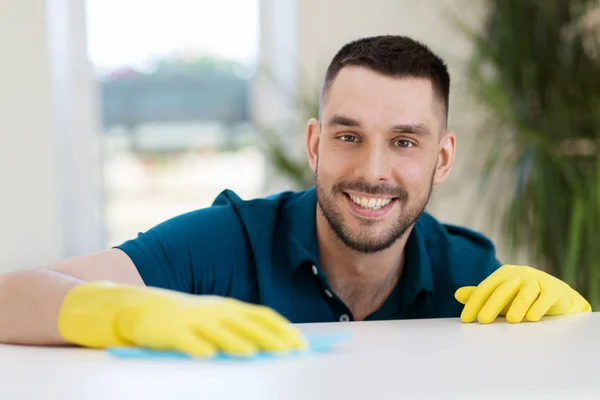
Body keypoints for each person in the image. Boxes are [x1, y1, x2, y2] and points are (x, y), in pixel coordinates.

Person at [0, 35, 590, 358]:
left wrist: (571, 335)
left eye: (405, 141)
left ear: (442, 156)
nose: (372, 170)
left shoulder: (469, 272)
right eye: (348, 136)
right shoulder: (225, 242)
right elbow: (9, 297)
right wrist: (122, 311)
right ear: (315, 142)